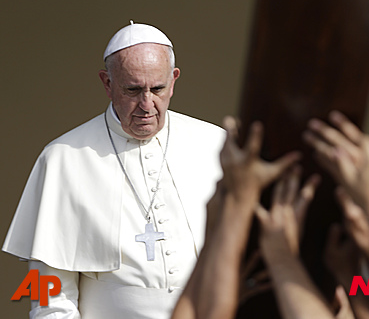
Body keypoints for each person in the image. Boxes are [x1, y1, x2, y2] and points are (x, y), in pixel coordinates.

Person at [3, 21, 226, 318]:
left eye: (157, 89)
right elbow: (46, 288)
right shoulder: (62, 158)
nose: (147, 105)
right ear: (107, 83)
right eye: (132, 90)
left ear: (173, 80)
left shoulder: (216, 144)